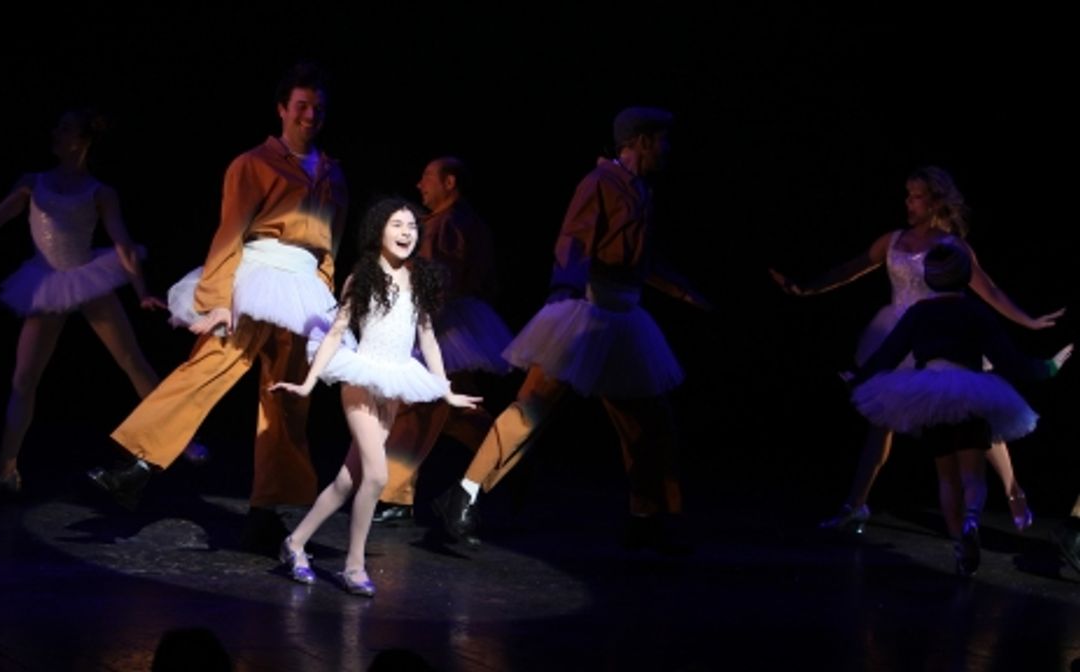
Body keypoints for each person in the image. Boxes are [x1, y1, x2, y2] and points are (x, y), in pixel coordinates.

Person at [87, 62, 349, 552]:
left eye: (318, 108)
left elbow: (331, 242)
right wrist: (219, 300)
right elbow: (230, 232)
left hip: (304, 290)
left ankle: (266, 513)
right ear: (282, 109)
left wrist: (325, 298)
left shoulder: (334, 174)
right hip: (256, 280)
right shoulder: (253, 164)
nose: (310, 115)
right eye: (301, 106)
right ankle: (138, 464)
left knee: (287, 402)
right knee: (208, 367)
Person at [432, 107, 711, 551]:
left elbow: (642, 257)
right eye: (661, 139)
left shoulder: (643, 191)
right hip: (588, 311)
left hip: (625, 319)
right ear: (639, 141)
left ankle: (647, 519)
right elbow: (573, 242)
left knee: (647, 422)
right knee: (530, 411)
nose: (667, 148)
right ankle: (462, 497)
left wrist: (681, 291)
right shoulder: (599, 183)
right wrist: (564, 292)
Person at [771, 166, 1065, 533]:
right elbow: (851, 267)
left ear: (936, 201)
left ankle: (1013, 490)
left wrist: (1028, 321)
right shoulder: (893, 241)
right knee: (879, 422)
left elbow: (989, 291)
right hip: (898, 333)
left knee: (971, 416)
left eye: (917, 196)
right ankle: (855, 505)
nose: (908, 202)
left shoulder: (953, 247)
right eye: (907, 195)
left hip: (941, 336)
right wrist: (808, 288)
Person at [0, 107, 165, 496]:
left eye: (66, 128)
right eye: (57, 126)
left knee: (132, 361)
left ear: (83, 141)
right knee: (24, 378)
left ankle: (179, 437)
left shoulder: (100, 192)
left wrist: (142, 292)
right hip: (46, 281)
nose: (55, 132)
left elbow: (123, 243)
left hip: (88, 276)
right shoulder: (31, 183)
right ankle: (5, 470)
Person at [271, 198, 481, 596]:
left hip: (396, 381)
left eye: (412, 227)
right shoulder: (362, 277)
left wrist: (446, 391)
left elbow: (428, 339)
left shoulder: (419, 279)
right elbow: (336, 333)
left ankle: (295, 542)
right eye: (397, 224)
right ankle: (354, 565)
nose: (406, 232)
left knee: (348, 480)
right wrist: (308, 383)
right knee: (378, 475)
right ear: (379, 231)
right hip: (361, 379)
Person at [846, 241, 1071, 575]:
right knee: (972, 474)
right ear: (965, 277)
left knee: (946, 478)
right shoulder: (976, 312)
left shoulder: (918, 314)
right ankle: (970, 523)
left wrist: (859, 378)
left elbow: (888, 355)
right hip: (970, 394)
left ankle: (959, 546)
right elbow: (1010, 360)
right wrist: (1049, 367)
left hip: (932, 396)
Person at [373, 156, 511, 524]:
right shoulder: (471, 223)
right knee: (456, 411)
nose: (421, 184)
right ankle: (507, 457)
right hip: (463, 321)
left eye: (428, 177)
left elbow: (437, 282)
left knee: (414, 407)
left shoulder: (446, 224)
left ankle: (395, 498)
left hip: (443, 325)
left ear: (449, 182)